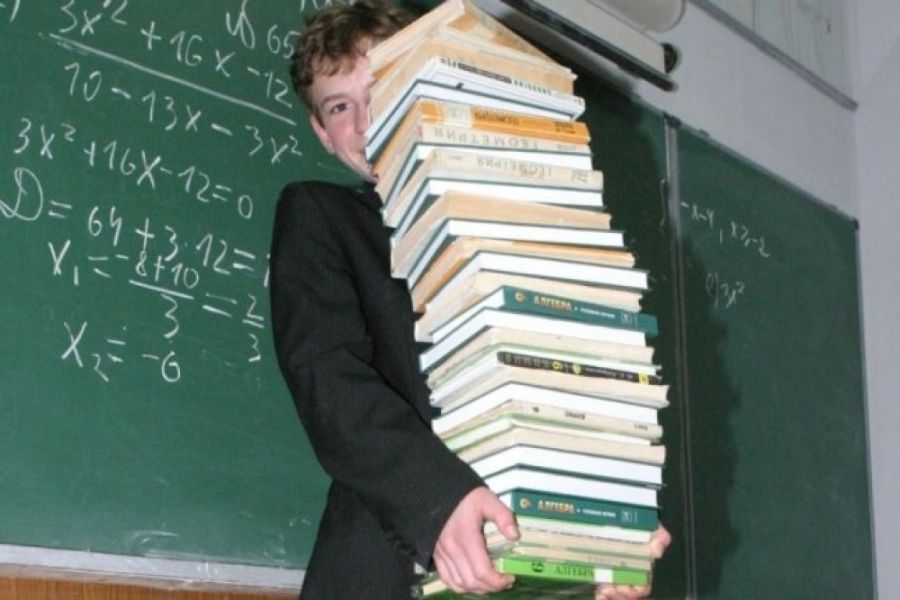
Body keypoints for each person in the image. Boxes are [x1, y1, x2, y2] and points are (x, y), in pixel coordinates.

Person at [270, 2, 670, 599]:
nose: (367, 121)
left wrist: (612, 516)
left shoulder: (529, 225)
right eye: (340, 107)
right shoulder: (321, 216)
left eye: (378, 90)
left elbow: (584, 383)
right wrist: (439, 499)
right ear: (323, 133)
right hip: (387, 567)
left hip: (534, 559)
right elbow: (326, 377)